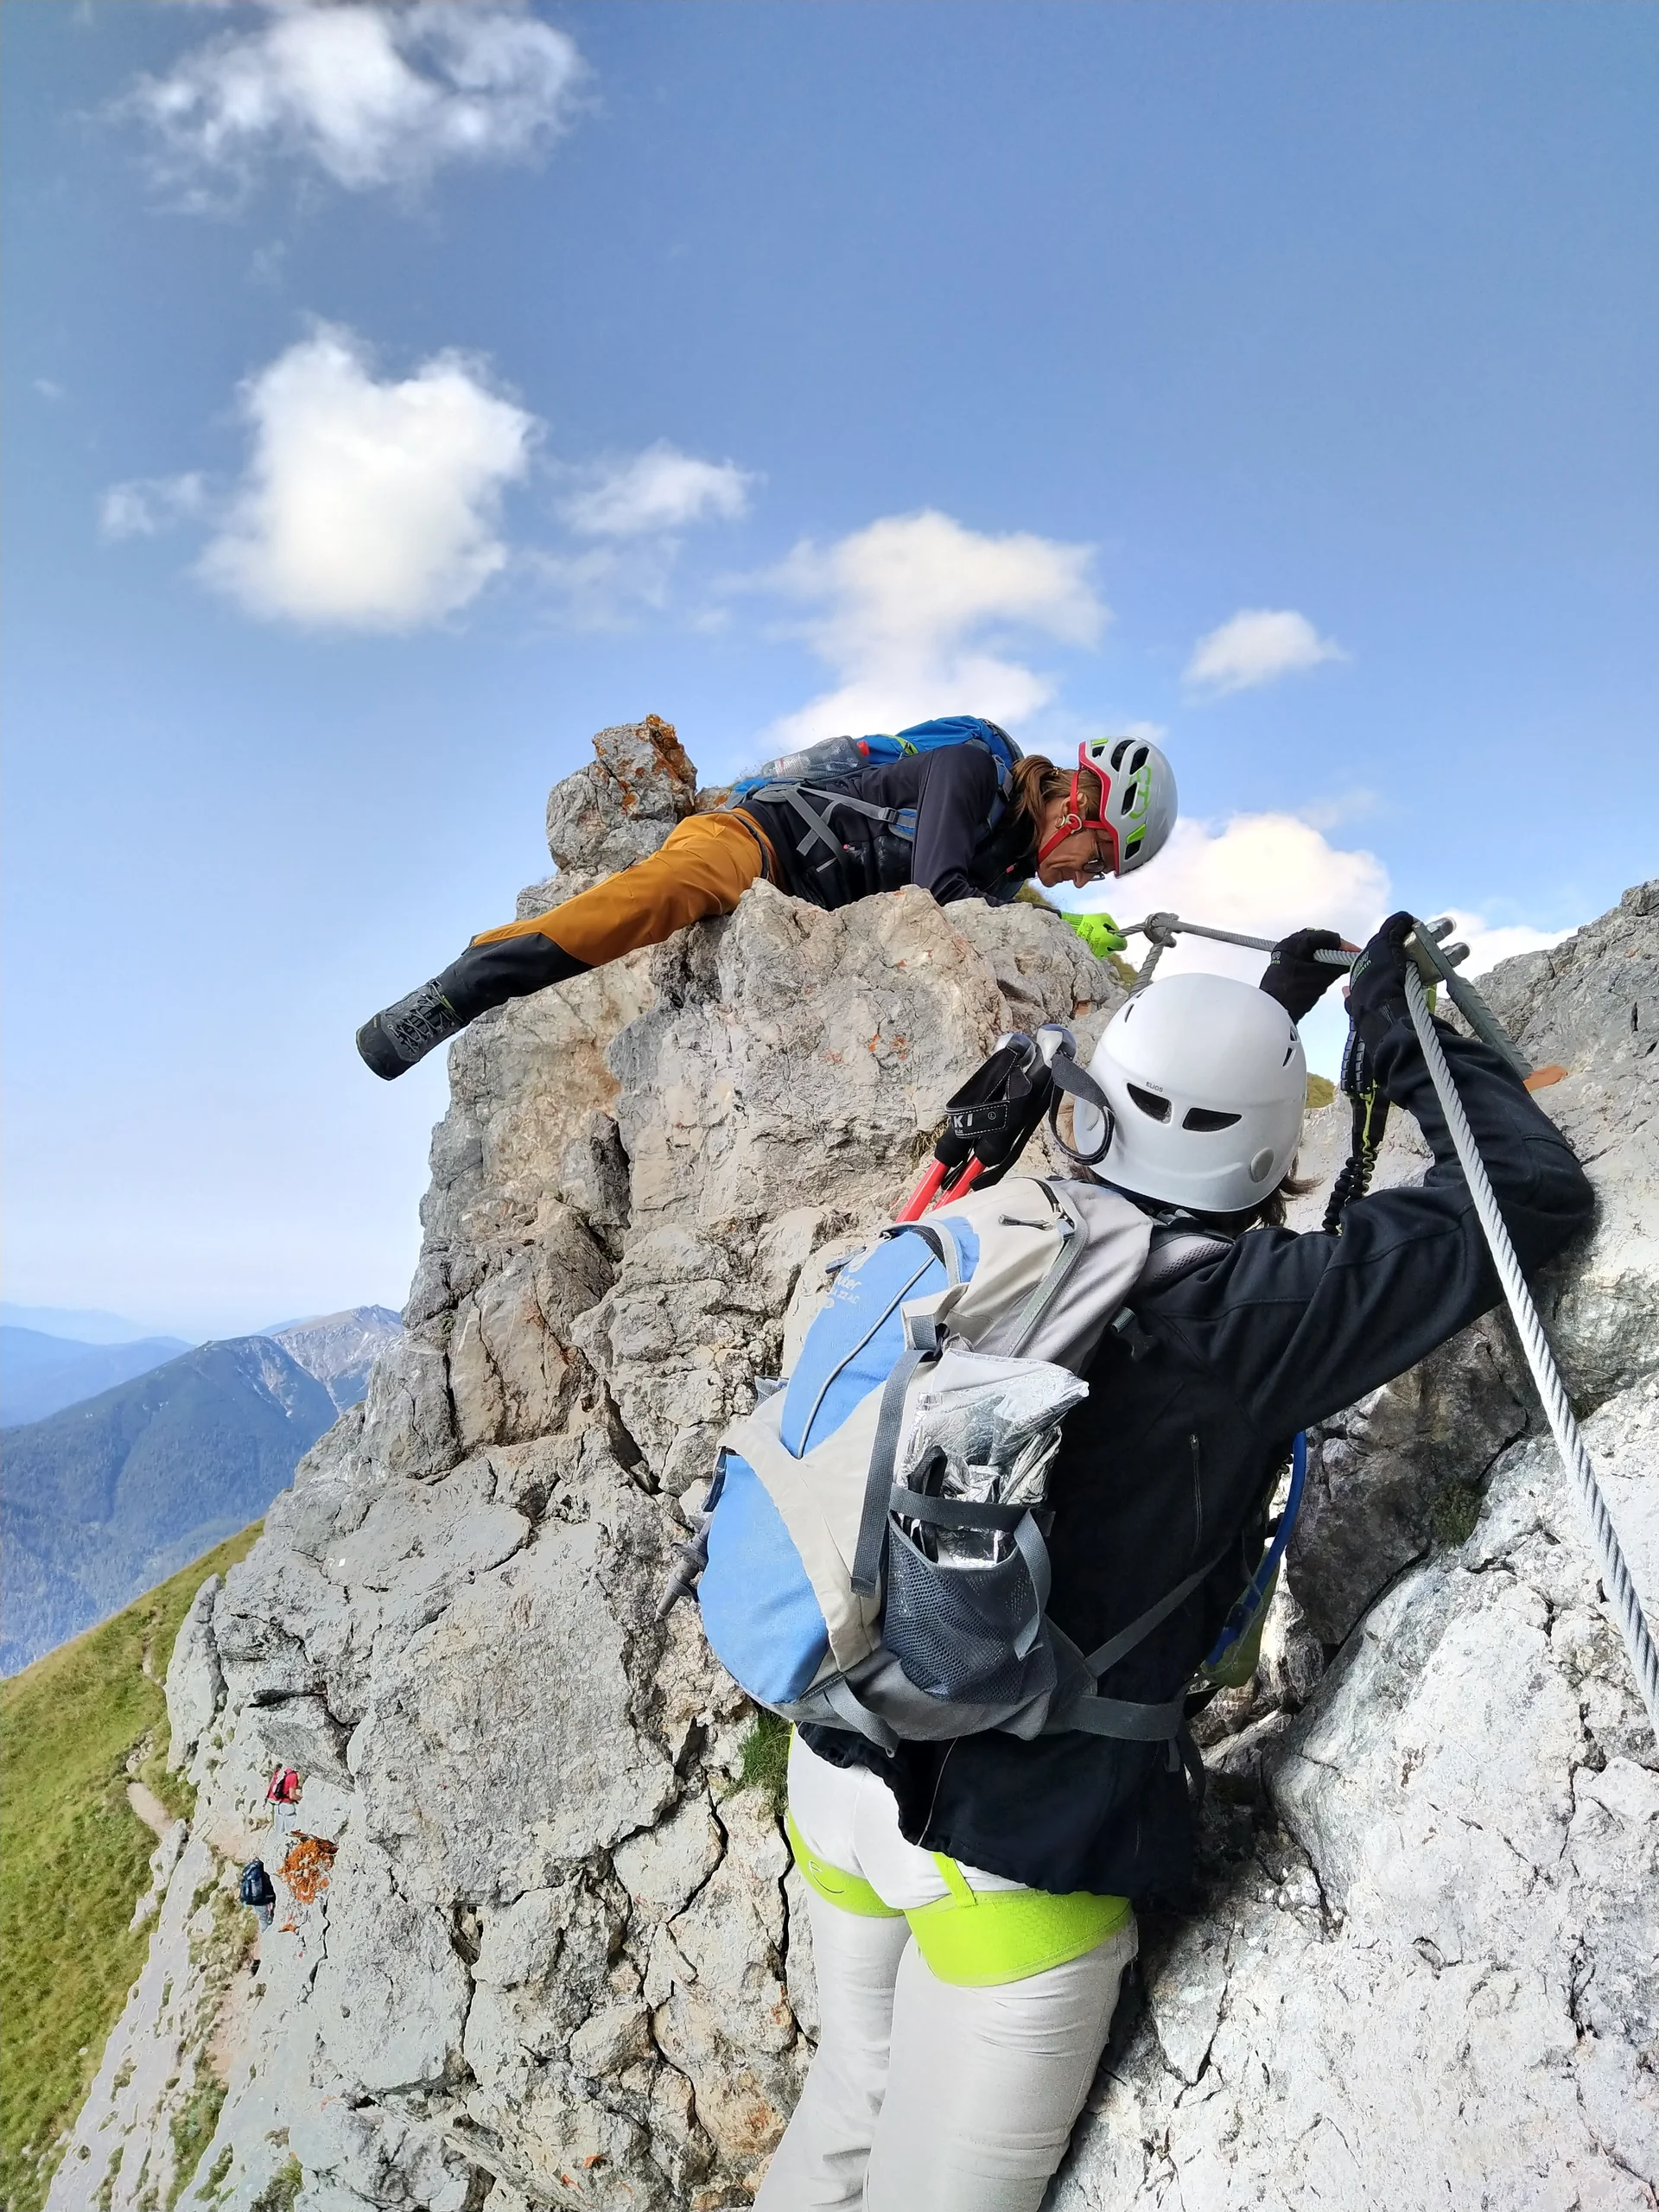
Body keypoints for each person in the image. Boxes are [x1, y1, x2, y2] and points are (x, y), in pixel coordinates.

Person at [756, 912, 1593, 2211]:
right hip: (1016, 1853)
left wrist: (1268, 1010)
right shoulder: (1252, 1316)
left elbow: (1179, 1148)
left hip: (844, 1761)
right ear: (1271, 1148)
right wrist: (1393, 1037)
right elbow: (1528, 1196)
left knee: (842, 2123)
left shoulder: (1008, 1222)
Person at [355, 723, 1176, 1079]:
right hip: (757, 843)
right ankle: (462, 987)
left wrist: (1061, 926)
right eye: (1096, 852)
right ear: (1079, 801)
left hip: (792, 907)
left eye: (1100, 875)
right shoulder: (970, 771)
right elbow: (940, 895)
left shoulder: (1003, 868)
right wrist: (1038, 923)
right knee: (651, 902)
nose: (1083, 874)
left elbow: (977, 893)